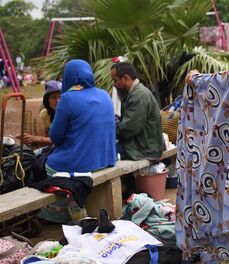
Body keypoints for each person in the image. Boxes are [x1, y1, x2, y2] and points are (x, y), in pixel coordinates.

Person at [41, 59, 116, 223]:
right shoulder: (104, 94)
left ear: (69, 76)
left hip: (82, 163)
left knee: (46, 163)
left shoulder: (67, 98)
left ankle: (58, 214)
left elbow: (56, 138)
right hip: (106, 159)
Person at [111, 62, 165, 161]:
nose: (114, 85)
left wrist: (112, 123)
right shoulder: (133, 94)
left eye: (116, 81)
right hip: (141, 145)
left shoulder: (139, 96)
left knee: (105, 153)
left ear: (126, 78)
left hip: (143, 149)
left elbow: (128, 130)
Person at [17, 80, 61, 146]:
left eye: (61, 97)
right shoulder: (45, 115)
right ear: (47, 100)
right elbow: (49, 137)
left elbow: (61, 140)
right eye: (54, 97)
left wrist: (35, 139)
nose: (58, 101)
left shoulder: (70, 113)